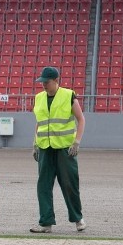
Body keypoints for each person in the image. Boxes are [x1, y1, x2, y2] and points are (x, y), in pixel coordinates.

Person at [30, 66, 87, 233]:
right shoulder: (39, 98)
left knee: (69, 184)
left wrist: (76, 142)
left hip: (64, 149)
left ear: (56, 80)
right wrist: (34, 143)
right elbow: (40, 122)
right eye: (42, 82)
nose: (43, 85)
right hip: (45, 148)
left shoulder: (69, 96)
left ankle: (78, 219)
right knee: (43, 185)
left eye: (46, 82)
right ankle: (45, 223)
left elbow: (81, 119)